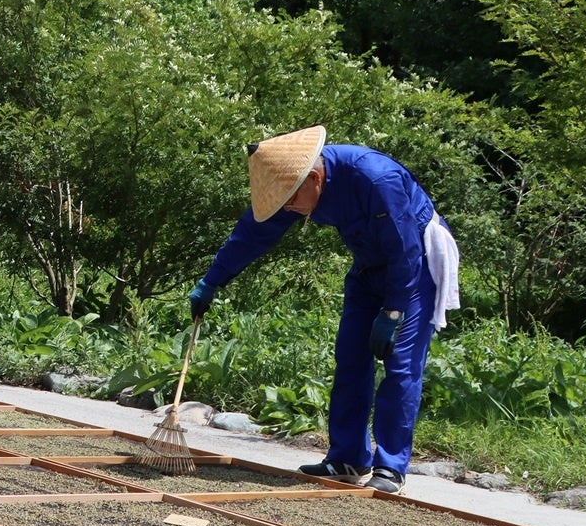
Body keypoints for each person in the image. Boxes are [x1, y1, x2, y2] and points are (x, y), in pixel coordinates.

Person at [189, 126, 459, 497]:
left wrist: (394, 312)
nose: (289, 210)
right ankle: (348, 458)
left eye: (290, 202)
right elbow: (254, 231)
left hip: (415, 268)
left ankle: (391, 466)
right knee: (350, 355)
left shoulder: (376, 179)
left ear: (314, 179)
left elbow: (404, 251)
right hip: (368, 265)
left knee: (400, 364)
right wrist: (212, 281)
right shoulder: (296, 182)